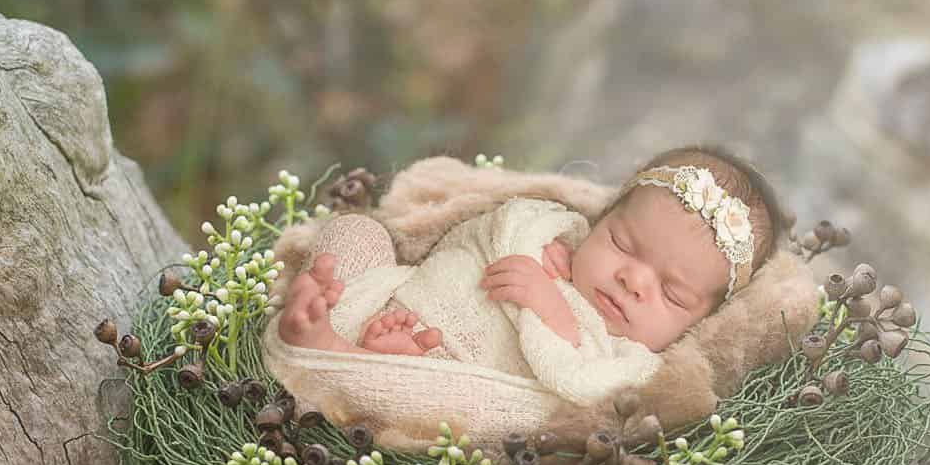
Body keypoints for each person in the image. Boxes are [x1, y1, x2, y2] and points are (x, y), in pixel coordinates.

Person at [274, 146, 785, 408]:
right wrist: (535, 249)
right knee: (358, 231)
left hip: (458, 385)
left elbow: (588, 390)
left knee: (468, 413)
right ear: (598, 222)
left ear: (699, 321)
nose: (633, 280)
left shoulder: (635, 360)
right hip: (400, 304)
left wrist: (558, 314)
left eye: (671, 293)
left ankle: (329, 356)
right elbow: (457, 250)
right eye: (622, 245)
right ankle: (331, 313)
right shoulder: (546, 232)